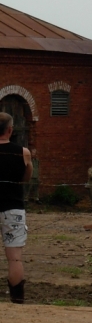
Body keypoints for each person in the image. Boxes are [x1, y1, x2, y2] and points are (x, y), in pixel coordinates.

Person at [0, 112, 33, 303]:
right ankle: (17, 298)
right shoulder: (23, 152)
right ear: (10, 130)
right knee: (14, 257)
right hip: (12, 208)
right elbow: (26, 178)